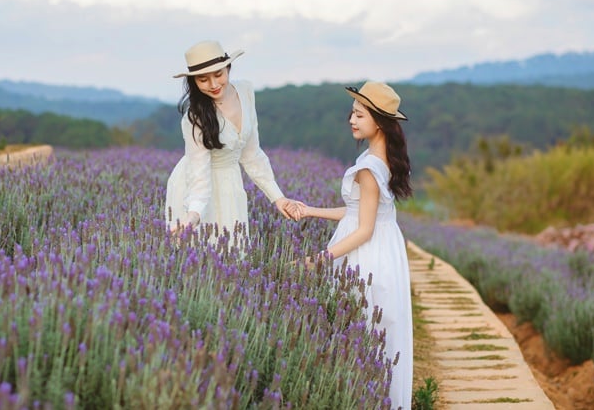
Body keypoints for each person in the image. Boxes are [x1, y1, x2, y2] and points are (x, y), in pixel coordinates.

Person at [288, 81, 413, 409]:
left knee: (362, 333)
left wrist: (319, 258)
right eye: (352, 114)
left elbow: (364, 230)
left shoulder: (369, 168)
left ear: (380, 122)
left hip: (366, 255)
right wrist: (312, 210)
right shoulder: (379, 159)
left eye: (359, 114)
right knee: (377, 331)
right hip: (385, 251)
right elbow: (359, 213)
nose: (351, 120)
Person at [165, 40, 295, 247]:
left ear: (228, 68)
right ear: (194, 82)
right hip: (197, 186)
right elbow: (199, 174)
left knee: (232, 250)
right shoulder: (194, 117)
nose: (214, 85)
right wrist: (192, 216)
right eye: (203, 80)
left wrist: (278, 197)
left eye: (218, 75)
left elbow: (252, 153)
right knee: (199, 258)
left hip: (230, 183)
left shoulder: (245, 91)